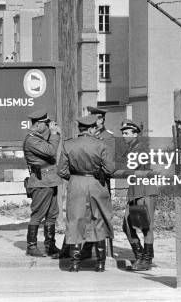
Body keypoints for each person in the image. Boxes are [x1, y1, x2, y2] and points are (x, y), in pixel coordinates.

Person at [57, 115, 116, 272]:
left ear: (79, 129)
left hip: (76, 183)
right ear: (91, 128)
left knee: (75, 220)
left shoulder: (68, 144)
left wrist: (75, 177)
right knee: (100, 219)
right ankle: (100, 263)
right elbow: (110, 169)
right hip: (96, 183)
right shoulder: (101, 145)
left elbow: (61, 170)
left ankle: (75, 263)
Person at [23, 109, 62, 258]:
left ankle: (50, 245)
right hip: (41, 181)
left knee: (52, 214)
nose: (47, 126)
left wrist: (53, 134)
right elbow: (51, 151)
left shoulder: (38, 138)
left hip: (50, 180)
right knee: (38, 214)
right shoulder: (32, 140)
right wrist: (54, 134)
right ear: (39, 124)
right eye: (45, 124)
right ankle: (31, 246)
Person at [120, 119, 157, 271]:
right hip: (134, 191)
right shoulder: (130, 148)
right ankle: (140, 255)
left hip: (144, 191)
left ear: (135, 133)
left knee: (146, 227)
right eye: (122, 133)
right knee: (127, 225)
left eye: (127, 133)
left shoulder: (139, 148)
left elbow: (129, 167)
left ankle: (146, 260)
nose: (123, 136)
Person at [80, 105, 115, 260]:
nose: (97, 121)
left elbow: (110, 162)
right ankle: (87, 247)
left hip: (100, 181)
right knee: (86, 214)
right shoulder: (86, 136)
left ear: (103, 120)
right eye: (94, 118)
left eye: (99, 118)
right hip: (86, 181)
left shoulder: (108, 137)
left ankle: (104, 251)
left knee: (100, 215)